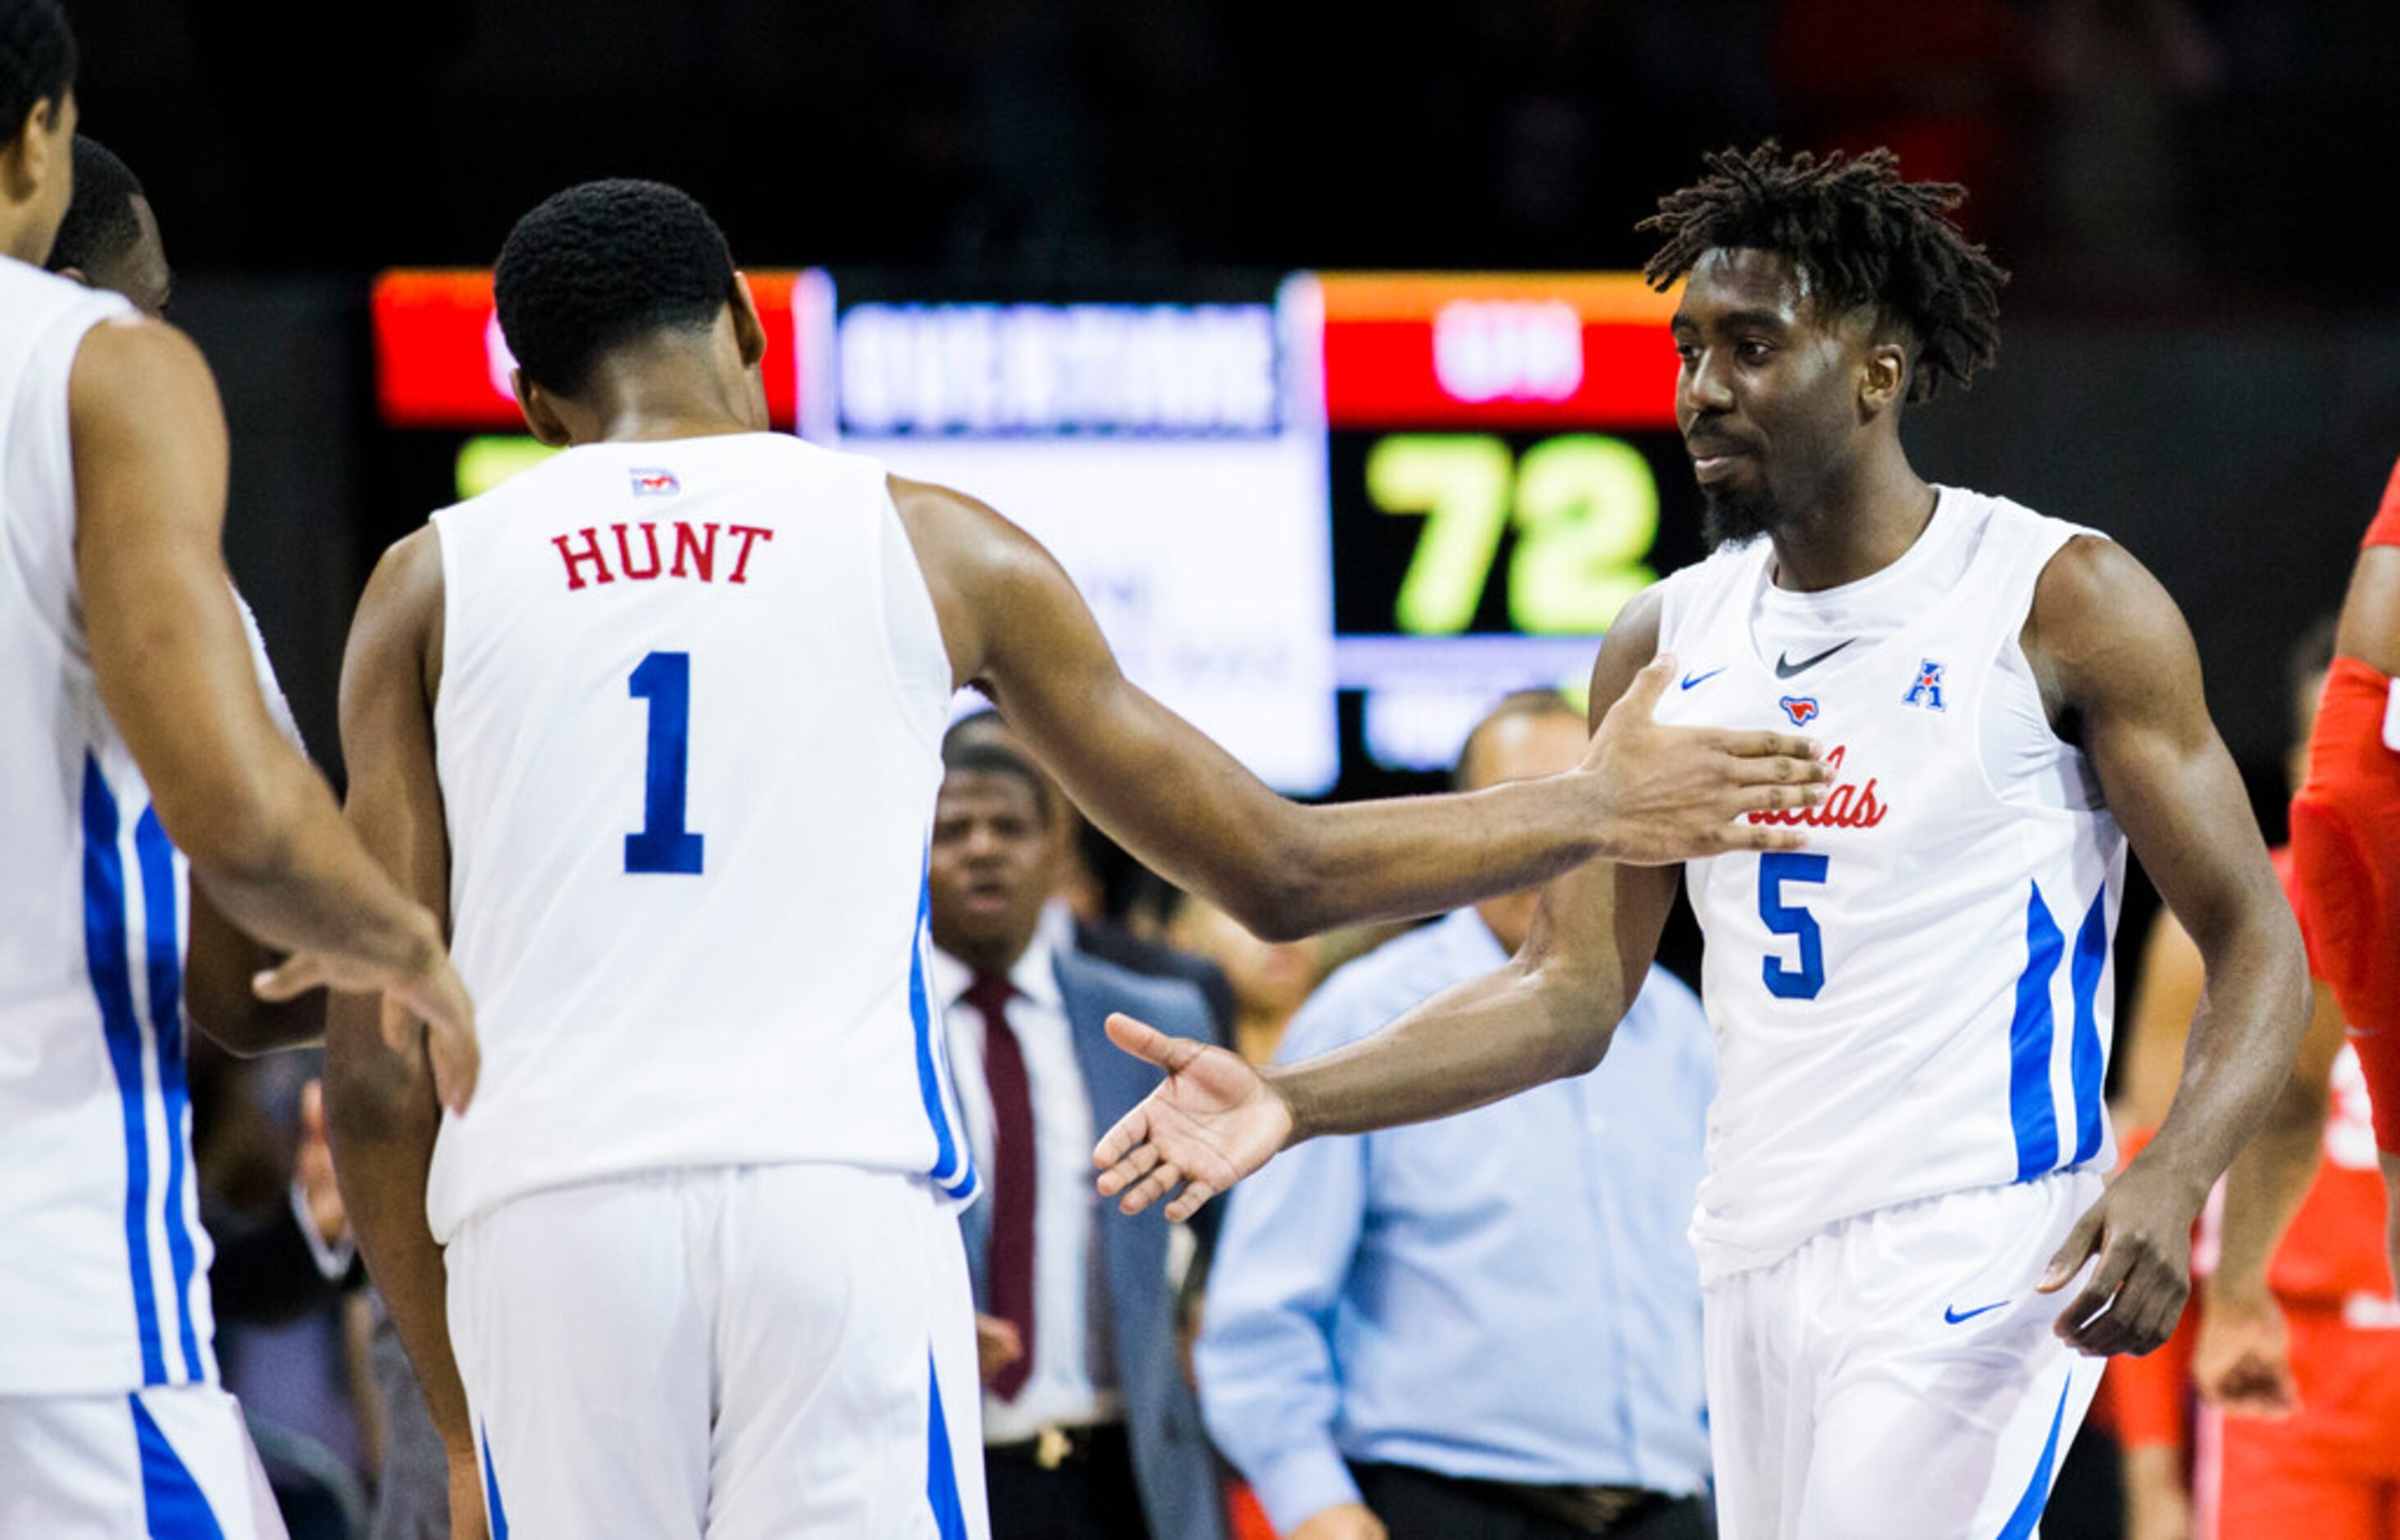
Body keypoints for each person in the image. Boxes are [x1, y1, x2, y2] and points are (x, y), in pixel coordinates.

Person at [320, 176, 1824, 1540]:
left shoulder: (426, 581)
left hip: (547, 1216)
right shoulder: (926, 542)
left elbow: (378, 1065)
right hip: (829, 1207)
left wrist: (462, 1426)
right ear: (744, 327)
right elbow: (1275, 865)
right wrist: (1593, 804)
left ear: (525, 400)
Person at [1094, 142, 2311, 1540]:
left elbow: (2258, 942)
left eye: (1750, 345)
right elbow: (1567, 998)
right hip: (1746, 1256)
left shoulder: (2055, 597)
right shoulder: (1662, 641)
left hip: (1976, 1237)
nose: (1699, 388)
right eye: (1686, 349)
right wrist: (1294, 1097)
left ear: (1876, 369)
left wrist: (2170, 1169)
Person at [0, 2, 476, 1532]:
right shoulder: (88, 372)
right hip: (49, 1296)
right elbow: (238, 854)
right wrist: (404, 948)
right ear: (40, 133)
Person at [1197, 690, 1717, 1540]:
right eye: (1532, 805)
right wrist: (1316, 1505)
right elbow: (1260, 1315)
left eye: (1594, 800)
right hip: (1444, 1506)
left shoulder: (1673, 1023)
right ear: (1466, 826)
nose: (1563, 837)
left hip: (1666, 1509)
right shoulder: (1364, 1013)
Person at [2110, 620, 2400, 1540]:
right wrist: (2152, 1476)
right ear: (2293, 776)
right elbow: (2143, 1192)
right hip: (2290, 1374)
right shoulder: (2219, 940)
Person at [927, 731, 1226, 1540]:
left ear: (1058, 846)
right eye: (951, 830)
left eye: (1008, 828)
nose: (981, 850)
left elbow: (1218, 1236)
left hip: (1123, 1474)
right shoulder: (869, 1026)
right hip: (946, 1472)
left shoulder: (1156, 1024)